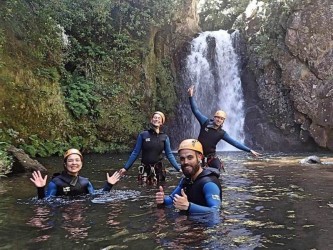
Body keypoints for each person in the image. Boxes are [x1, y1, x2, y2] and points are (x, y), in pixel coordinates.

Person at [187, 85, 261, 170]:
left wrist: (249, 150)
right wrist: (191, 96)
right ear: (214, 117)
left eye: (221, 119)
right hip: (199, 155)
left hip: (211, 157)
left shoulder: (221, 133)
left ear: (223, 121)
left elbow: (235, 143)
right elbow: (195, 110)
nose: (219, 120)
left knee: (217, 169)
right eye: (217, 117)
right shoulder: (205, 122)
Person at [155, 139, 221, 214]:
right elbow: (171, 199)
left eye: (190, 158)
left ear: (200, 157)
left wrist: (189, 206)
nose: (186, 162)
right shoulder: (187, 180)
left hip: (204, 224)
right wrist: (163, 199)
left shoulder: (209, 183)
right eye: (182, 159)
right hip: (190, 222)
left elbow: (216, 211)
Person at [30, 148, 120, 199]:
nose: (74, 163)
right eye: (70, 161)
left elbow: (96, 198)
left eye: (77, 160)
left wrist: (109, 185)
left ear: (81, 164)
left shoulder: (85, 182)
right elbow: (45, 202)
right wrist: (40, 189)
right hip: (63, 215)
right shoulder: (56, 183)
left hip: (80, 214)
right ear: (65, 164)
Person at [119, 111, 181, 184]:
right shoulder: (143, 135)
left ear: (161, 122)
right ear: (151, 120)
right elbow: (135, 152)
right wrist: (125, 168)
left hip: (158, 170)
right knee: (145, 191)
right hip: (145, 169)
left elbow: (169, 154)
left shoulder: (164, 137)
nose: (156, 119)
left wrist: (178, 168)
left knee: (159, 190)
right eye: (155, 117)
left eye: (159, 118)